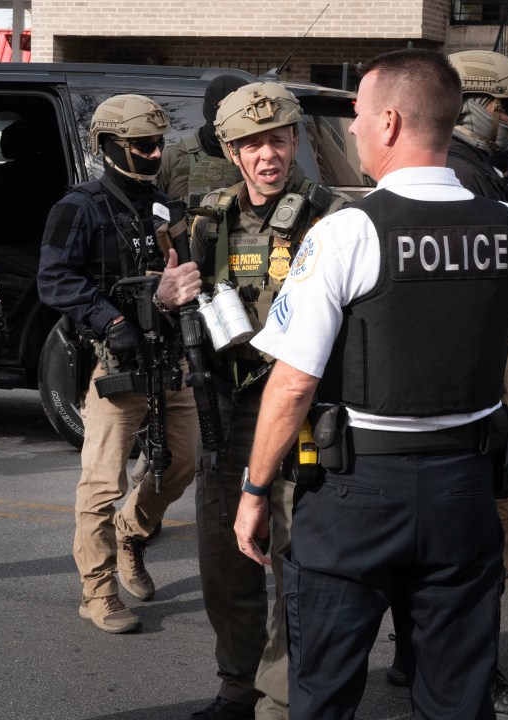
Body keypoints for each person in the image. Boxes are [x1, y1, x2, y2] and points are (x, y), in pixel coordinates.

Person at [234, 48, 508, 719]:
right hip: (465, 487)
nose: (355, 128)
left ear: (391, 122)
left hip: (356, 495)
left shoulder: (346, 234)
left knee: (326, 692)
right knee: (456, 697)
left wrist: (254, 491)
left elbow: (290, 386)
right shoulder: (505, 226)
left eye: (360, 114)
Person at [386, 48, 508, 720]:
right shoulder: (457, 176)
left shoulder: (492, 171)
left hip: (485, 354)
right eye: (507, 108)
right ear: (477, 106)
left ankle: (418, 654)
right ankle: (471, 671)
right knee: (488, 525)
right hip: (475, 365)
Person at [187, 83, 349, 720]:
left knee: (294, 562)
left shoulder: (331, 218)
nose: (267, 154)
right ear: (230, 150)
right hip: (224, 411)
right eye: (251, 143)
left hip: (298, 413)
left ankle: (279, 702)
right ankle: (237, 687)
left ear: (296, 141)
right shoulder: (206, 220)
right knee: (225, 563)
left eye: (277, 139)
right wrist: (171, 292)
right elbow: (178, 306)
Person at [38, 94, 202, 634]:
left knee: (182, 462)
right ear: (109, 147)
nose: (154, 155)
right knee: (101, 484)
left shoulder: (163, 207)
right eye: (142, 146)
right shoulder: (79, 207)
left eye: (160, 145)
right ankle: (99, 590)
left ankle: (133, 531)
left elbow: (186, 272)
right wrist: (110, 320)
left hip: (169, 355)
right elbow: (55, 279)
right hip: (116, 365)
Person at [157, 74, 248, 205]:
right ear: (210, 110)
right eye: (224, 108)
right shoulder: (172, 157)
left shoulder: (258, 158)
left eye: (238, 109)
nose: (229, 115)